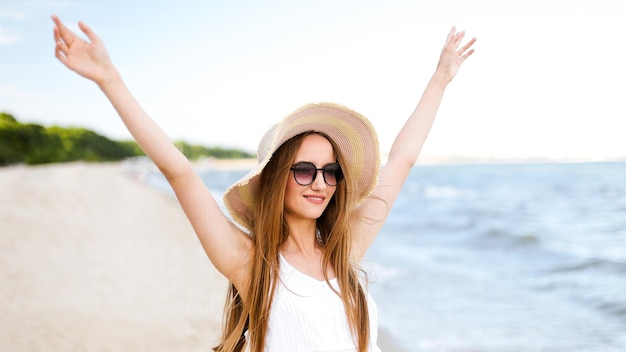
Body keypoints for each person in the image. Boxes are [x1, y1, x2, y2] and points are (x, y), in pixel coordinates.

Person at [51, 14, 475, 352]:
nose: (320, 183)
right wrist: (110, 80)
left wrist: (440, 78)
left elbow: (401, 159)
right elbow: (179, 171)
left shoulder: (344, 254)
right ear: (276, 178)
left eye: (331, 171)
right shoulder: (253, 265)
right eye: (304, 169)